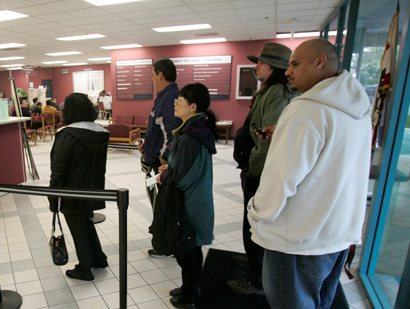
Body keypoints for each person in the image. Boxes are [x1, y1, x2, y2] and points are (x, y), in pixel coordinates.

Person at [247, 39, 371, 309]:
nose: (288, 71)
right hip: (336, 235)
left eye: (295, 64)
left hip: (298, 242)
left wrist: (256, 213)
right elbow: (334, 157)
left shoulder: (305, 109)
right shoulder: (358, 109)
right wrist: (285, 134)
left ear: (320, 62)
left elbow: (280, 178)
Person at [228, 43, 298, 295]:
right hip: (254, 169)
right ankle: (254, 260)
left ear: (275, 67)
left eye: (261, 62)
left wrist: (253, 168)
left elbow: (269, 141)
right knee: (252, 223)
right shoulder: (270, 90)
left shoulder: (278, 93)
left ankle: (257, 279)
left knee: (257, 224)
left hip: (260, 173)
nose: (256, 66)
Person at [157, 83, 217, 308]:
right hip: (194, 199)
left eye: (179, 100)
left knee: (188, 252)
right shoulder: (194, 130)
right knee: (189, 249)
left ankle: (190, 295)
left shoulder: (191, 136)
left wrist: (163, 177)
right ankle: (190, 287)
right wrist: (170, 168)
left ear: (193, 107)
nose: (174, 102)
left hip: (191, 203)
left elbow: (183, 178)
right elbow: (185, 168)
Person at [49, 93, 109, 281]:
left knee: (78, 229)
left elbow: (58, 170)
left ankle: (84, 267)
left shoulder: (67, 135)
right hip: (92, 188)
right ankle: (98, 258)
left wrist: (53, 198)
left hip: (71, 191)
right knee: (87, 224)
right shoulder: (100, 132)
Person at [138, 58, 182, 258]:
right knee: (160, 204)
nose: (152, 78)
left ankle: (166, 242)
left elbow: (170, 133)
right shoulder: (163, 96)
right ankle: (163, 236)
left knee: (163, 205)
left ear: (160, 75)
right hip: (153, 157)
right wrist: (145, 144)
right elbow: (157, 129)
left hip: (160, 164)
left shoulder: (169, 97)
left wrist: (164, 158)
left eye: (153, 74)